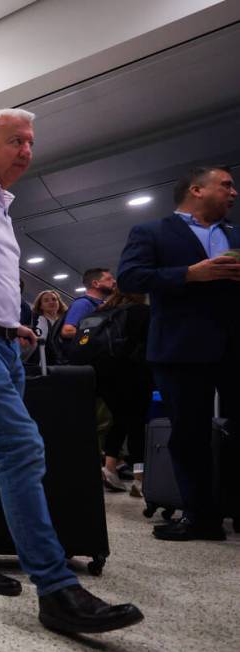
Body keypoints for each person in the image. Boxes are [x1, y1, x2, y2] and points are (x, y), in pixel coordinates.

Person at [0, 107, 142, 633]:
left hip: (0, 342)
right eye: (15, 140)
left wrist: (14, 325)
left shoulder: (2, 211)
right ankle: (56, 589)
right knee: (22, 444)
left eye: (30, 142)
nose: (26, 150)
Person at [118, 164, 239, 541]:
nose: (233, 192)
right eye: (226, 185)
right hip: (180, 348)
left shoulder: (235, 234)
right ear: (196, 190)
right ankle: (201, 517)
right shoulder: (152, 232)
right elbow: (130, 278)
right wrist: (189, 274)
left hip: (234, 345)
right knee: (189, 434)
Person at [90, 291, 152, 495]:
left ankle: (109, 469)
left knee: (120, 420)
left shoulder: (104, 311)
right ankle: (139, 478)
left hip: (104, 377)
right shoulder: (142, 312)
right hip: (134, 374)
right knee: (137, 425)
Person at [60, 269, 116, 340]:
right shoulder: (82, 304)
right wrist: (99, 335)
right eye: (108, 279)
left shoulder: (102, 304)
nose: (114, 281)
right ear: (95, 283)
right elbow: (67, 331)